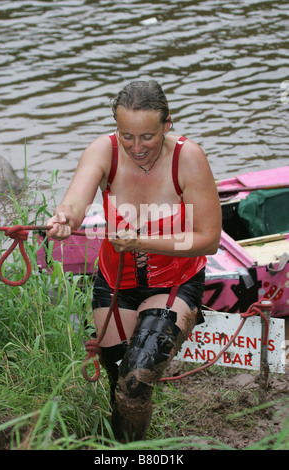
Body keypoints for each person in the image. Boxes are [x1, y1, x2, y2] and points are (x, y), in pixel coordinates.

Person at [46, 80, 222, 442]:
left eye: (147, 137)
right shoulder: (103, 151)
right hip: (115, 283)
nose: (136, 148)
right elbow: (76, 201)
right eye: (127, 136)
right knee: (118, 383)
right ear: (116, 128)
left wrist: (142, 240)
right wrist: (65, 218)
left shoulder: (189, 159)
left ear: (167, 124)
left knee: (135, 382)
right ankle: (126, 446)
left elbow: (209, 239)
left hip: (174, 282)